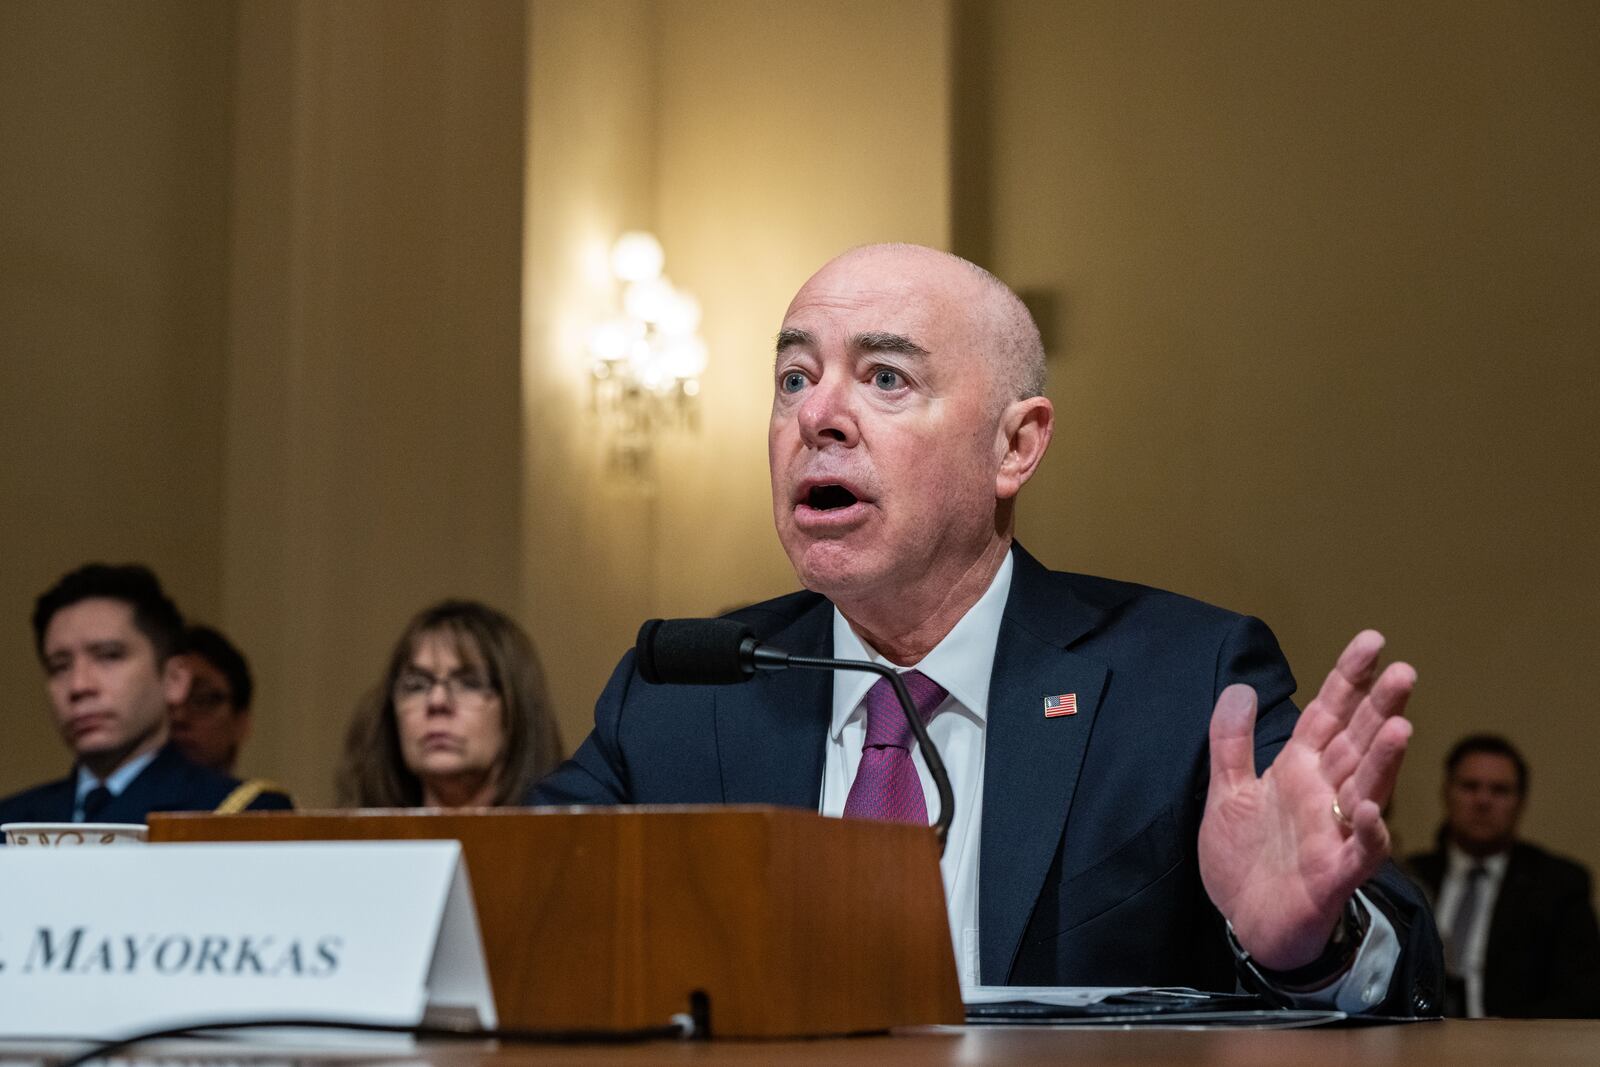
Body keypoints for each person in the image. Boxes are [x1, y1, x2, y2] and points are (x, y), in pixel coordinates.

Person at [532, 243, 1443, 1014]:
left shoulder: (1185, 683)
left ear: (1016, 446)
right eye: (794, 378)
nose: (816, 415)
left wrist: (1310, 946)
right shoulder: (686, 692)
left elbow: (1409, 972)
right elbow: (506, 911)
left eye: (885, 377)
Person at [0, 563, 293, 827]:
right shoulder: (11, 820)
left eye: (109, 656)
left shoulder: (234, 813)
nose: (79, 686)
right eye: (59, 667)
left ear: (174, 680)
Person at [1406, 735, 1600, 1017]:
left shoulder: (1558, 884)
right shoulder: (1408, 876)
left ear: (1520, 802)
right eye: (1469, 787)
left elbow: (1585, 994)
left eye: (1500, 790)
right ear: (1446, 792)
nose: (1483, 801)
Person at [336, 599, 562, 808]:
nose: (437, 701)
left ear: (517, 709)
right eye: (417, 685)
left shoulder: (567, 842)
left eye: (469, 683)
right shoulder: (357, 847)